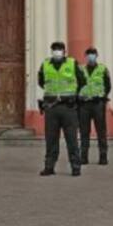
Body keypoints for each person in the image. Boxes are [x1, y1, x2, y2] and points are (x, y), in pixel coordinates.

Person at [38, 41, 87, 176]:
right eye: (55, 49)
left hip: (68, 107)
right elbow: (41, 81)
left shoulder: (72, 63)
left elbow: (82, 80)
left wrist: (74, 94)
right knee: (51, 139)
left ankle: (75, 167)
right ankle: (49, 166)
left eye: (59, 49)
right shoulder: (46, 64)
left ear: (64, 51)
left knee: (71, 138)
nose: (57, 51)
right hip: (51, 107)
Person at [78, 47, 111, 166]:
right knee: (84, 132)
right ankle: (83, 157)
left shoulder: (103, 69)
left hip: (98, 104)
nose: (91, 56)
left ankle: (103, 156)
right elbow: (76, 85)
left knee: (101, 131)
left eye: (93, 54)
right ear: (85, 57)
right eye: (89, 54)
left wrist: (102, 97)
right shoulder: (81, 69)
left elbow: (108, 86)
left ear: (97, 56)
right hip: (84, 105)